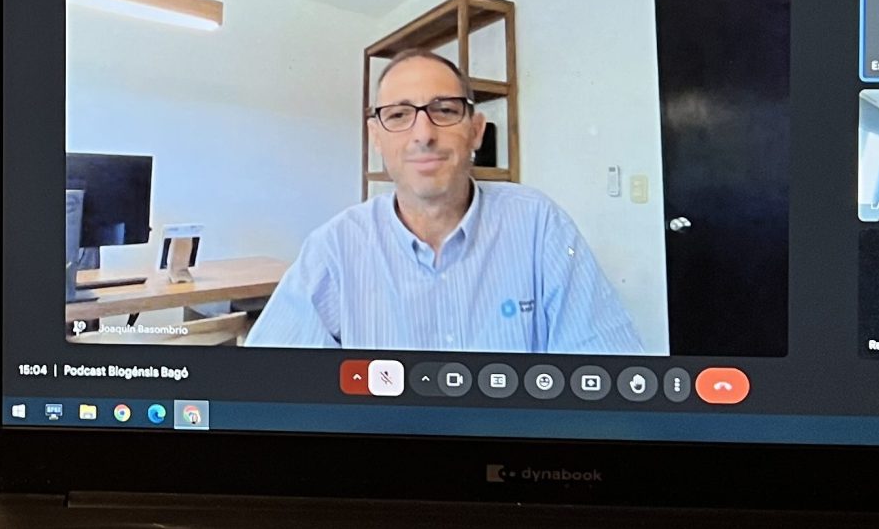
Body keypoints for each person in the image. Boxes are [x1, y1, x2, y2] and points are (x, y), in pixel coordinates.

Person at [246, 49, 645, 353]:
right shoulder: (333, 249)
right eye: (399, 115)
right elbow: (272, 389)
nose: (423, 134)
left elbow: (602, 371)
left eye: (445, 110)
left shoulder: (540, 225)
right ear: (376, 137)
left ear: (476, 132)